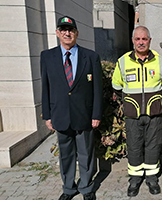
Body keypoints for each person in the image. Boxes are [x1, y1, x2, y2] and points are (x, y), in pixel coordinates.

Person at [41, 16, 102, 200]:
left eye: (71, 29)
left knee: (85, 154)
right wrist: (47, 115)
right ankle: (68, 188)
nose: (67, 33)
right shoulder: (47, 56)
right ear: (58, 33)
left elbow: (97, 89)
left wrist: (96, 114)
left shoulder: (91, 57)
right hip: (60, 114)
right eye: (63, 29)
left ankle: (86, 187)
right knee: (65, 155)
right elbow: (45, 87)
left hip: (84, 115)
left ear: (76, 33)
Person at [111, 26, 162, 197]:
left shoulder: (160, 61)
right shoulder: (122, 61)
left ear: (149, 40)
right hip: (132, 115)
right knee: (134, 146)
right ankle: (135, 179)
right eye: (138, 39)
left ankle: (152, 178)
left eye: (144, 39)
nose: (141, 42)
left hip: (154, 115)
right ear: (133, 41)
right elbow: (116, 85)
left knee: (153, 145)